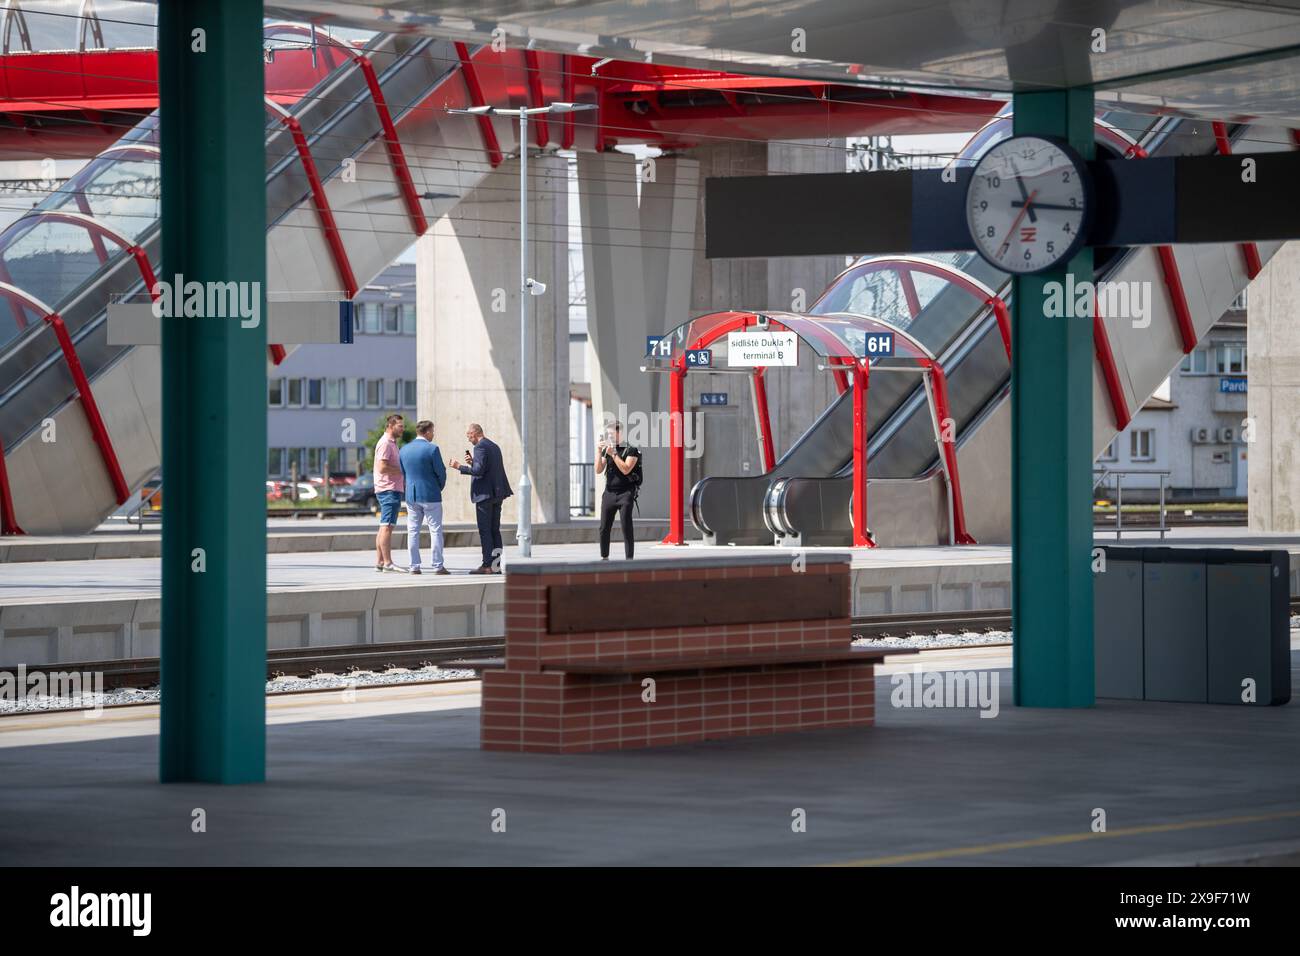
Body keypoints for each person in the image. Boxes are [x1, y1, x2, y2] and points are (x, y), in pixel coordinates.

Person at [448, 423, 512, 574]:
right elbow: (485, 468)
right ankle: (496, 566)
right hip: (497, 494)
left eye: (468, 436)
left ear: (474, 433)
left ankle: (487, 566)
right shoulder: (494, 446)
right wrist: (473, 462)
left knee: (485, 531)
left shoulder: (480, 447)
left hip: (485, 496)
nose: (468, 439)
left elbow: (478, 471)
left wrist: (460, 466)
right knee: (495, 530)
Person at [399, 420, 448, 575]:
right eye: (432, 431)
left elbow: (404, 473)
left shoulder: (404, 449)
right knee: (435, 530)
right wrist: (438, 486)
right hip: (431, 494)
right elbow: (441, 472)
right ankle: (438, 566)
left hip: (411, 495)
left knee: (412, 531)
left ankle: (414, 566)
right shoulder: (432, 449)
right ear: (426, 432)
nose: (433, 434)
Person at [595, 421, 641, 560]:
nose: (609, 437)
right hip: (609, 492)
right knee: (604, 528)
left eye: (611, 434)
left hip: (625, 493)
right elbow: (598, 470)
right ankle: (604, 556)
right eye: (607, 434)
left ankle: (629, 559)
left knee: (626, 526)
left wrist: (614, 455)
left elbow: (626, 469)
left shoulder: (631, 449)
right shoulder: (607, 450)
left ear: (619, 433)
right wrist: (598, 451)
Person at [373, 413, 405, 572]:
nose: (403, 429)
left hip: (389, 488)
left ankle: (379, 562)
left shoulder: (391, 442)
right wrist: (402, 470)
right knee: (387, 526)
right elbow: (382, 467)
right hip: (389, 489)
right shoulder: (386, 443)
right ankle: (388, 562)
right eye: (400, 426)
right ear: (391, 426)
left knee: (384, 526)